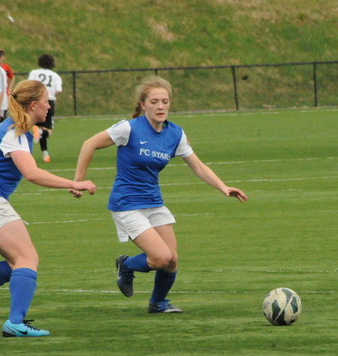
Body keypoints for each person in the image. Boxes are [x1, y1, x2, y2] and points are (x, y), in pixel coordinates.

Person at [72, 76, 248, 314]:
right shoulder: (129, 128)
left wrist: (223, 187)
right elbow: (88, 144)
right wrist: (78, 181)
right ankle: (126, 265)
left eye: (165, 101)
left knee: (172, 260)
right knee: (161, 257)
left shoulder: (175, 134)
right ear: (143, 105)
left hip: (153, 202)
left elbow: (198, 166)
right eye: (154, 102)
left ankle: (158, 303)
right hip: (126, 204)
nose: (160, 106)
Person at [0, 80, 96, 337]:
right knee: (27, 259)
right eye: (46, 101)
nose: (49, 106)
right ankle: (15, 323)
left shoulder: (16, 129)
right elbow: (32, 173)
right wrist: (74, 182)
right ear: (33, 105)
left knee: (17, 263)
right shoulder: (14, 132)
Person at [28, 54, 63, 163]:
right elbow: (59, 90)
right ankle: (40, 134)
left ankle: (45, 153)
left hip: (35, 101)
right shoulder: (55, 76)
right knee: (48, 130)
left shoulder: (34, 73)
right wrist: (51, 92)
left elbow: (29, 85)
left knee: (37, 127)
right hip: (48, 102)